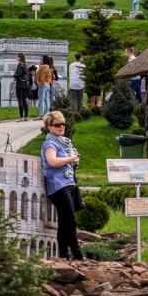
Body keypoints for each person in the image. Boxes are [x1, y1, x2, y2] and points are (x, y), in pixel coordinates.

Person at [41, 111, 84, 260]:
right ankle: (78, 256)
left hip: (68, 184)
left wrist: (73, 160)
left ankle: (63, 255)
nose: (61, 127)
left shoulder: (65, 143)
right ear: (49, 127)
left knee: (65, 221)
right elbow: (52, 162)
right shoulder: (50, 143)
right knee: (70, 222)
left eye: (63, 124)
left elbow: (66, 163)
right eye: (57, 124)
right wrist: (71, 158)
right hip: (58, 186)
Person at [12, 53, 31, 121]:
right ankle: (26, 116)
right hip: (25, 84)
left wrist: (13, 75)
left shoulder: (20, 64)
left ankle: (21, 117)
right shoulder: (25, 65)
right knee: (24, 100)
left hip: (20, 84)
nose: (16, 57)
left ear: (20, 57)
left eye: (17, 56)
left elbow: (19, 74)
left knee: (20, 100)